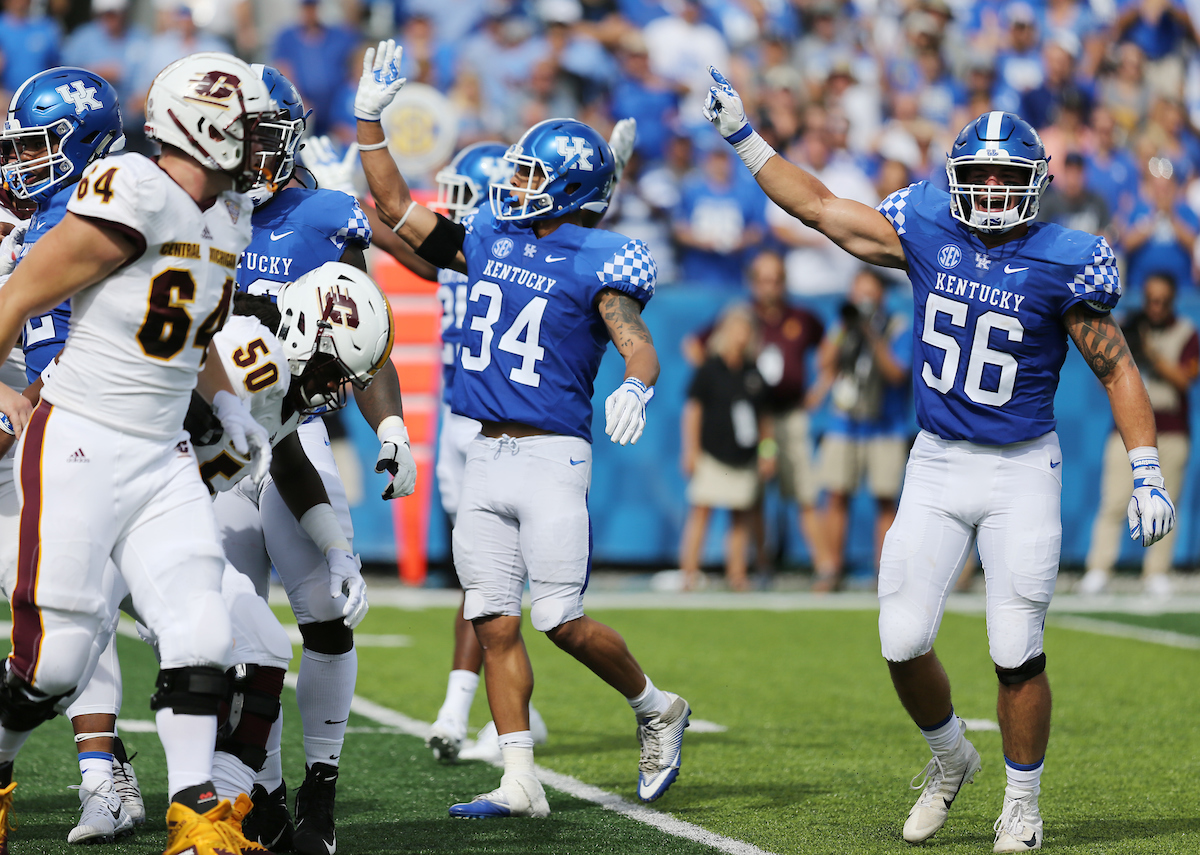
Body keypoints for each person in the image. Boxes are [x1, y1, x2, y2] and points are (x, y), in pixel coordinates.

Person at [705, 75, 1175, 851]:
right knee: (901, 637)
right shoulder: (925, 222)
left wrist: (1147, 466)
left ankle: (1022, 801)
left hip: (1021, 467)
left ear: (1036, 184)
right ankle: (951, 754)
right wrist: (746, 139)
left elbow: (1118, 367)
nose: (991, 192)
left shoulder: (1066, 259)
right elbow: (823, 210)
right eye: (979, 176)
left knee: (1015, 646)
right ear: (954, 180)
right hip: (936, 460)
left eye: (1007, 178)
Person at [355, 39, 691, 818]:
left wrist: (638, 384)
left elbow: (635, 338)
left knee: (560, 618)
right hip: (482, 451)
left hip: (550, 455)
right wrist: (372, 121)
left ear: (566, 188)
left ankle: (656, 706)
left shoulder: (599, 258)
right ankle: (519, 779)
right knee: (492, 617)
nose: (512, 184)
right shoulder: (492, 239)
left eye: (531, 175)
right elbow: (400, 212)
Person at [0, 51, 280, 855]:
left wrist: (227, 399)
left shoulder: (229, 215)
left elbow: (201, 324)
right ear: (205, 124)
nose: (258, 144)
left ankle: (195, 818)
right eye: (249, 126)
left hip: (162, 454)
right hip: (81, 439)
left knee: (203, 632)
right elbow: (18, 298)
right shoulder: (135, 186)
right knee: (54, 664)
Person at [227, 64, 417, 855]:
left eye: (260, 133)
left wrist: (394, 426)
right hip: (199, 434)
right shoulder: (190, 211)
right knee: (234, 634)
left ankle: (320, 785)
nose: (246, 151)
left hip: (286, 423)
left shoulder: (327, 217)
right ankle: (259, 793)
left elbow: (362, 335)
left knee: (325, 614)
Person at [0, 64, 141, 845]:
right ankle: (107, 774)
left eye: (33, 147)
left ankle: (133, 777)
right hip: (44, 422)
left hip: (106, 430)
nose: (18, 162)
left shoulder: (109, 217)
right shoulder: (30, 220)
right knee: (63, 609)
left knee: (72, 607)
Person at [1081, 272, 1199, 596]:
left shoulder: (1186, 333)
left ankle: (1156, 572)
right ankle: (1099, 568)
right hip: (1125, 431)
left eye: (1162, 301)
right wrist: (1123, 355)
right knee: (1113, 502)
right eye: (1151, 300)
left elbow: (1184, 380)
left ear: (1173, 300)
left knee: (1165, 504)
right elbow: (1101, 378)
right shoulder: (1127, 327)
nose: (1156, 307)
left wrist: (1150, 353)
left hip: (1171, 430)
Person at [809, 267, 912, 591]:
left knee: (884, 497)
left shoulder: (897, 327)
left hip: (886, 424)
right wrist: (845, 329)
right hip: (844, 422)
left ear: (882, 295)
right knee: (836, 494)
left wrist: (871, 335)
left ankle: (884, 573)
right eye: (859, 292)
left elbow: (897, 374)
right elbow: (824, 364)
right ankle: (831, 569)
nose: (864, 299)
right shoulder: (841, 324)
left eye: (870, 292)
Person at [679, 303, 773, 591]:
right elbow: (693, 411)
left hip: (742, 456)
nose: (741, 336)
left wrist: (768, 452)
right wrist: (690, 450)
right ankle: (689, 573)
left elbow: (764, 417)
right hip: (711, 453)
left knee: (740, 516)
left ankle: (737, 574)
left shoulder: (753, 372)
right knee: (702, 512)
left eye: (746, 330)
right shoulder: (709, 368)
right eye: (736, 329)